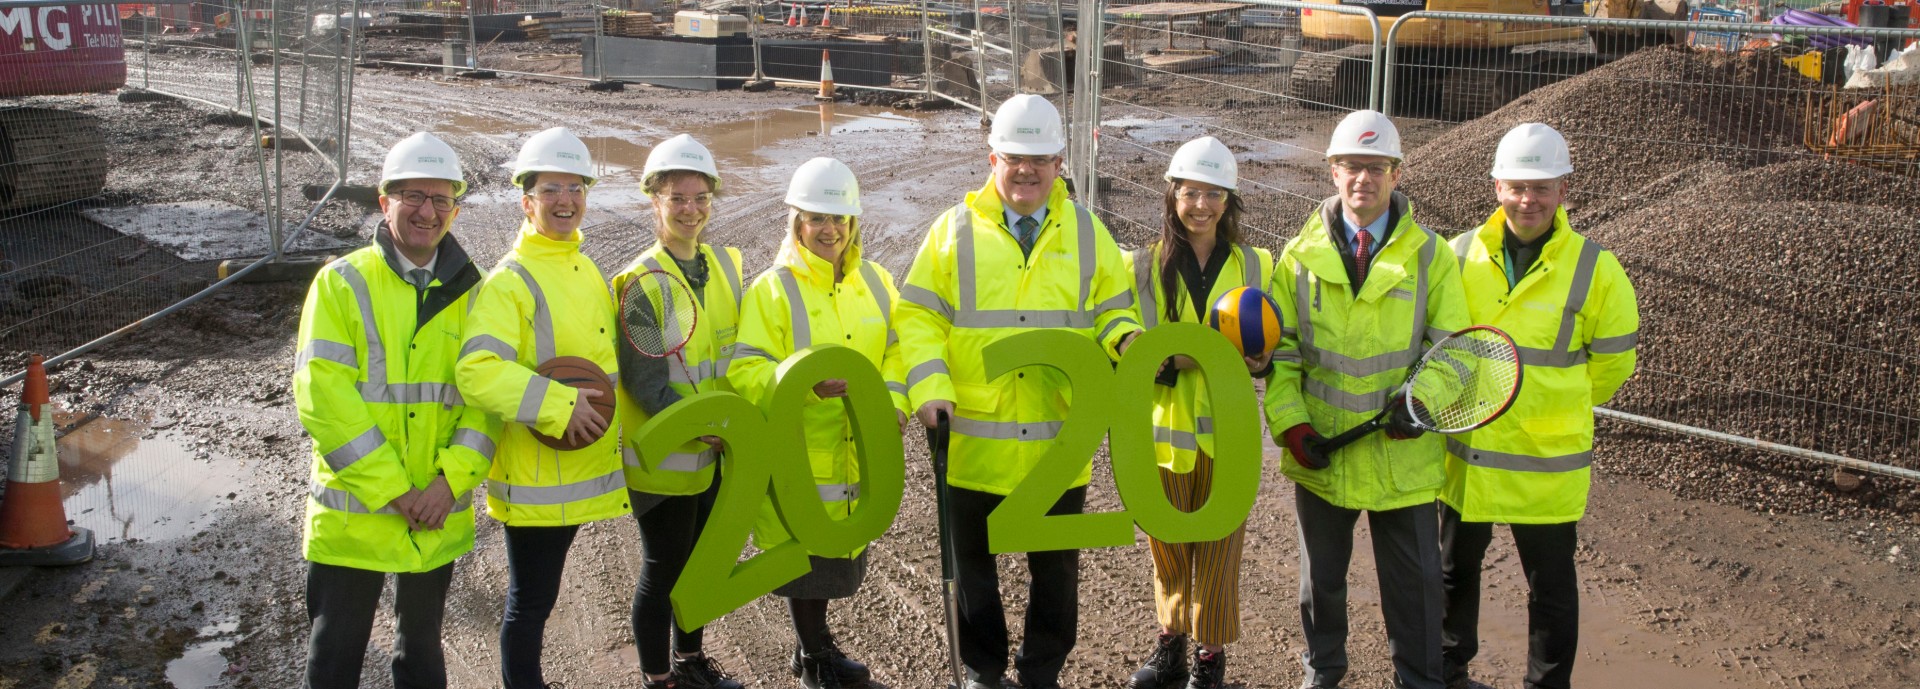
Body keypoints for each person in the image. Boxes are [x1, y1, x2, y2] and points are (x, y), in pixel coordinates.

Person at [895, 93, 1143, 689]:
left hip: (1058, 442)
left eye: (1040, 158)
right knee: (973, 571)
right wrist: (929, 386)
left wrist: (1129, 343)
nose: (1026, 170)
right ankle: (984, 672)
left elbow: (1114, 311)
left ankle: (1040, 674)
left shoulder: (1088, 233)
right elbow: (917, 318)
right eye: (1014, 157)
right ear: (992, 158)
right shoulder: (952, 232)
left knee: (1055, 572)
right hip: (975, 439)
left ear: (1060, 161)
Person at [1263, 109, 1468, 689]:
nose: (1363, 180)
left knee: (1416, 589)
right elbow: (1284, 353)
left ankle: (1419, 681)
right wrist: (1291, 424)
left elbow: (1452, 351)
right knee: (1318, 585)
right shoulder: (1297, 258)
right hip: (1323, 452)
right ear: (1332, 170)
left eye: (1376, 168)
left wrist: (1420, 404)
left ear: (1397, 175)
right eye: (1353, 166)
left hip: (1400, 457)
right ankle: (1322, 673)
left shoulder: (1431, 256)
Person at [293, 132, 496, 689]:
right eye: (413, 196)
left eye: (440, 199)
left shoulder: (474, 293)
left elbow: (486, 402)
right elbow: (323, 399)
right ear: (385, 203)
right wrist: (394, 489)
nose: (427, 212)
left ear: (455, 208)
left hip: (435, 509)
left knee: (423, 656)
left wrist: (449, 482)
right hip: (357, 513)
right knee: (335, 656)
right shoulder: (341, 283)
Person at [1439, 123, 1639, 689]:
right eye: (1518, 187)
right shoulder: (1458, 254)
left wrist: (1558, 407)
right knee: (1454, 573)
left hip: (1544, 459)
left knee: (1550, 586)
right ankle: (1449, 672)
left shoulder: (1595, 267)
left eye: (1541, 188)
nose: (1528, 200)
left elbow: (1614, 363)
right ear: (1497, 186)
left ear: (1564, 190)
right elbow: (1438, 345)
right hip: (1470, 450)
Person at [456, 127, 629, 689]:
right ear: (525, 200)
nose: (565, 200)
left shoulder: (585, 267)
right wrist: (557, 405)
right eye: (551, 188)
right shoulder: (509, 281)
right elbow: (477, 372)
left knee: (540, 599)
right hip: (537, 477)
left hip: (584, 466)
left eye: (576, 187)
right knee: (529, 604)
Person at [727, 157, 909, 689]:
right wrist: (803, 386)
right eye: (815, 219)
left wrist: (893, 404)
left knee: (836, 557)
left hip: (858, 450)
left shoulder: (876, 282)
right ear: (796, 222)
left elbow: (899, 351)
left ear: (853, 223)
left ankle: (815, 649)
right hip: (800, 454)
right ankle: (814, 660)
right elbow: (746, 368)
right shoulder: (773, 289)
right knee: (802, 559)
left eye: (839, 219)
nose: (828, 230)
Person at [1121, 136, 1274, 689]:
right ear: (1172, 195)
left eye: (1214, 194)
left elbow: (1265, 351)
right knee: (1165, 547)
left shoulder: (1256, 264)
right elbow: (1123, 339)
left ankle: (1209, 659)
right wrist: (1165, 355)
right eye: (1191, 193)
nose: (1202, 205)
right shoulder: (1140, 265)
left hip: (1227, 434)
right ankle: (1170, 645)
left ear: (1230, 201)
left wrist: (1260, 359)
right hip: (1163, 431)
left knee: (1218, 550)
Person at [611, 133, 747, 689]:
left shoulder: (724, 266)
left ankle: (690, 662)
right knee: (663, 569)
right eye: (677, 199)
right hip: (665, 459)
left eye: (700, 198)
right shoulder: (647, 280)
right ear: (655, 202)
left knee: (700, 565)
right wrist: (709, 429)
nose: (690, 210)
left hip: (713, 453)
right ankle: (658, 676)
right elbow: (647, 386)